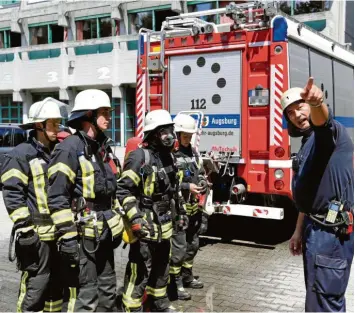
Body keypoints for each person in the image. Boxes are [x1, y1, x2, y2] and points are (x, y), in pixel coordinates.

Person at [47, 89, 123, 312]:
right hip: (83, 236)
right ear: (88, 115)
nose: (109, 117)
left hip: (104, 233)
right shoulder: (69, 148)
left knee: (108, 289)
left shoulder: (102, 148)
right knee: (87, 294)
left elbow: (111, 192)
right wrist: (68, 237)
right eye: (104, 113)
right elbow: (57, 196)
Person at [284, 78, 354, 312]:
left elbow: (323, 123)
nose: (297, 115)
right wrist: (298, 230)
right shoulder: (307, 143)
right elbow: (310, 192)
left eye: (300, 106)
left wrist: (316, 103)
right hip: (315, 229)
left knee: (326, 302)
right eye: (290, 113)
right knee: (316, 297)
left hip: (331, 234)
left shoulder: (328, 135)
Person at [116, 109, 188, 312]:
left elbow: (175, 190)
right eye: (164, 131)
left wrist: (181, 214)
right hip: (145, 224)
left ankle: (159, 302)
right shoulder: (140, 156)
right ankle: (131, 306)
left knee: (162, 266)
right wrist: (135, 218)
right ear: (153, 133)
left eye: (170, 131)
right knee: (140, 268)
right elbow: (123, 189)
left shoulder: (170, 158)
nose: (169, 136)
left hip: (165, 223)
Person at [1, 98, 67, 312]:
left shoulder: (58, 153)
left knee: (56, 285)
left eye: (58, 123)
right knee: (36, 285)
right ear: (39, 125)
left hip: (58, 233)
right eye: (53, 124)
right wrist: (25, 227)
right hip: (35, 235)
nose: (58, 128)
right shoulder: (21, 154)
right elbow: (12, 193)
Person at [168, 114, 208, 301]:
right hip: (179, 210)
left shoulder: (194, 153)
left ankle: (187, 276)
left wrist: (202, 182)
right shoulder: (170, 156)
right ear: (176, 135)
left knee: (193, 245)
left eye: (190, 136)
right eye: (185, 136)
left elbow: (200, 172)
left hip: (194, 209)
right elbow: (166, 183)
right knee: (179, 249)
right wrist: (186, 187)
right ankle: (175, 284)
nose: (188, 139)